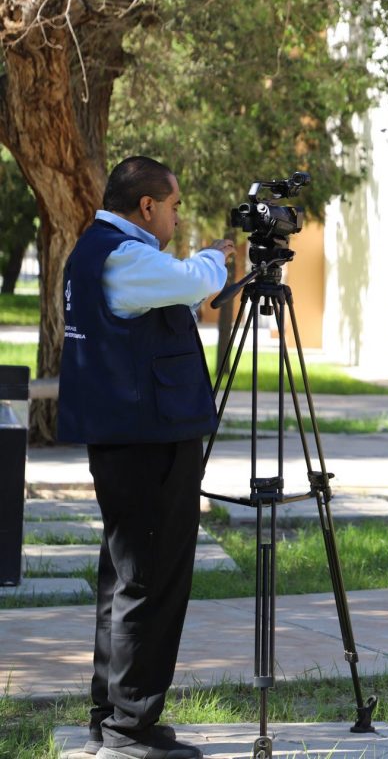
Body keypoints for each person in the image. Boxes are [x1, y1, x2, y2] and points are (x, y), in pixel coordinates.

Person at [57, 156, 234, 759]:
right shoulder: (125, 257)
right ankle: (130, 729)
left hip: (129, 437)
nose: (177, 218)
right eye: (174, 206)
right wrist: (218, 256)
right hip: (147, 440)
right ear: (147, 206)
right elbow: (192, 281)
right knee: (150, 581)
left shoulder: (96, 250)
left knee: (126, 579)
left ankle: (113, 717)